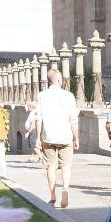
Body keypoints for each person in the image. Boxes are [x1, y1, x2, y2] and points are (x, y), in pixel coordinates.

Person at [36, 68, 79, 207]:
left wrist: (37, 137)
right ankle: (65, 189)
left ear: (48, 82)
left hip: (49, 136)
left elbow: (38, 118)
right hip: (65, 136)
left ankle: (53, 195)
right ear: (60, 80)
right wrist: (76, 138)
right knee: (66, 166)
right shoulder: (69, 96)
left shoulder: (42, 95)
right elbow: (74, 119)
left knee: (50, 166)